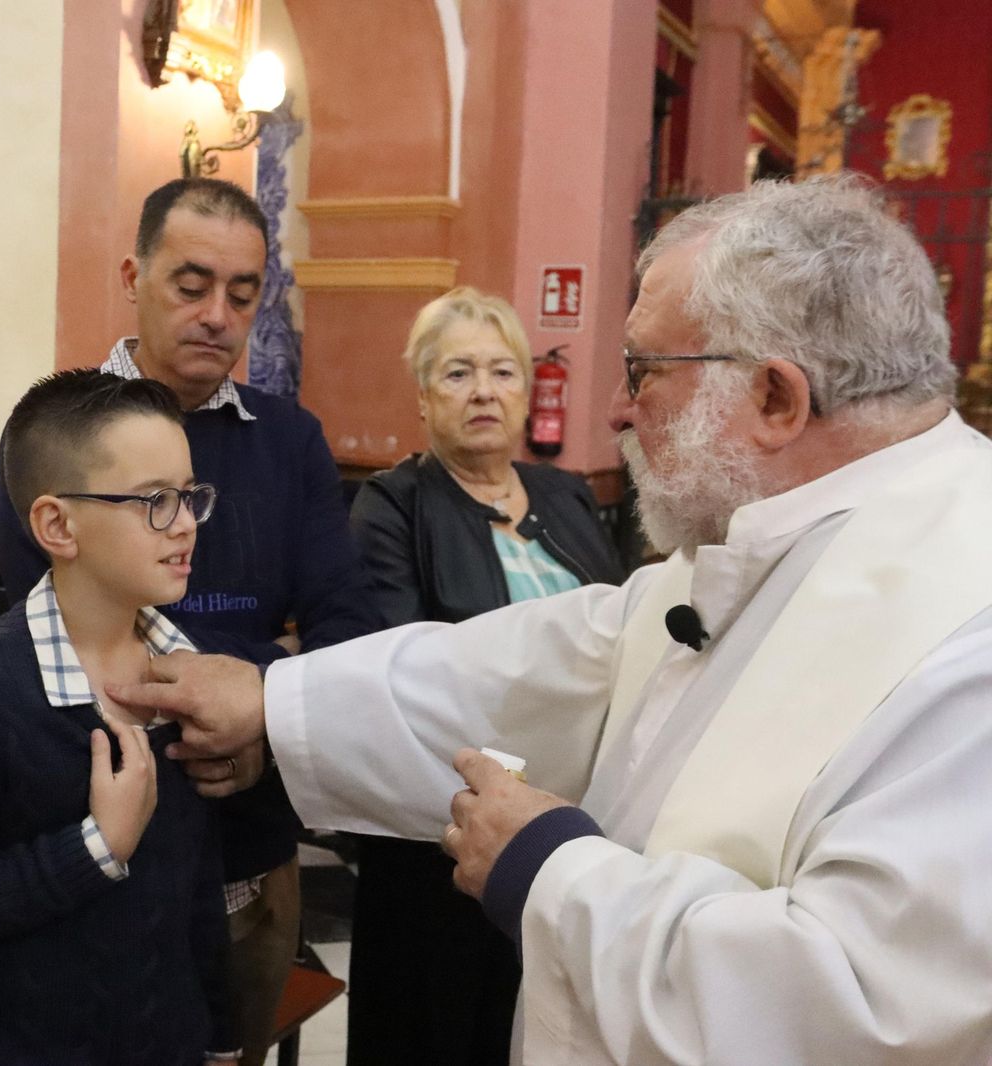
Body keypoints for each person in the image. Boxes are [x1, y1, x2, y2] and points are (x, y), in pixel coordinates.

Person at [114, 176, 992, 1066]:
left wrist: (549, 867)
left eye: (645, 370)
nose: (615, 408)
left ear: (775, 398)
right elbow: (566, 659)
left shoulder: (963, 629)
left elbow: (858, 1005)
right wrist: (277, 701)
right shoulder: (776, 543)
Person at [0, 178, 378, 1065]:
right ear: (134, 274)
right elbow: (66, 633)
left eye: (243, 294)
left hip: (249, 833)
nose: (217, 314)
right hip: (95, 831)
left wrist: (263, 715)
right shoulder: (52, 430)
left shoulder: (289, 442)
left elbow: (346, 627)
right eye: (191, 284)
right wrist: (259, 667)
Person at [0, 368, 237, 1065]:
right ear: (58, 524)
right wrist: (96, 848)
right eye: (153, 501)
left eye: (188, 496)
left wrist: (220, 1036)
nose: (183, 525)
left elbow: (196, 885)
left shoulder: (186, 670)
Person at [346, 287, 623, 1066]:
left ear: (526, 390)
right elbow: (405, 659)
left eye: (503, 372)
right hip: (443, 824)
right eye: (458, 373)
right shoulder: (394, 505)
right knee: (438, 1031)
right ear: (425, 395)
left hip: (573, 812)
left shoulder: (568, 497)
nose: (483, 392)